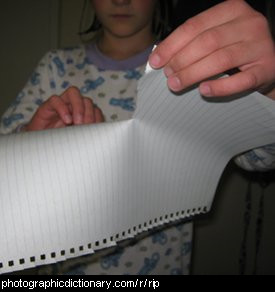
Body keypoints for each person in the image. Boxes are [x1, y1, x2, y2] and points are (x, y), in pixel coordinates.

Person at [0, 0, 275, 275]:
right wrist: (30, 145)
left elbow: (260, 157)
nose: (121, 0)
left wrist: (267, 92)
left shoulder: (192, 67)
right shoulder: (55, 67)